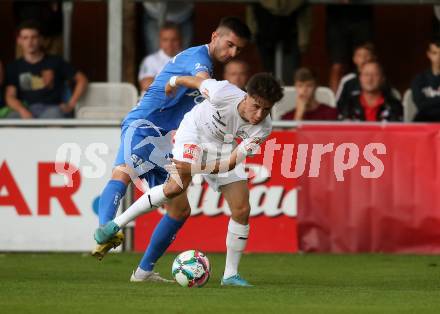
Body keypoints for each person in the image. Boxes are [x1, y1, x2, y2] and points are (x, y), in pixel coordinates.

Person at [91, 17, 251, 284]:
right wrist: (201, 86)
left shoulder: (208, 65)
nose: (232, 53)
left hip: (170, 138)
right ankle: (104, 228)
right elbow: (200, 79)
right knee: (123, 173)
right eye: (230, 44)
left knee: (179, 210)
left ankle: (142, 274)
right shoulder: (199, 58)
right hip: (145, 125)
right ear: (215, 36)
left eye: (238, 50)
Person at [94, 73, 284, 287]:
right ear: (247, 96)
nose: (259, 114)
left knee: (242, 208)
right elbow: (193, 81)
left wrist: (194, 168)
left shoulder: (263, 128)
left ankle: (230, 275)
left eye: (266, 109)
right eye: (256, 106)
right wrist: (173, 82)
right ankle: (114, 225)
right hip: (193, 134)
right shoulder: (222, 92)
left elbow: (230, 163)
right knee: (174, 188)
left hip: (222, 150)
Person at [5, 20, 88, 119]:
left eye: (34, 37)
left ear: (41, 39)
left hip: (52, 109)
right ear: (19, 41)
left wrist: (71, 104)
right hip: (26, 109)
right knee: (10, 121)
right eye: (25, 38)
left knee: (54, 117)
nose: (30, 42)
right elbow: (10, 96)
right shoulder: (14, 66)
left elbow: (82, 79)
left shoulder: (55, 61)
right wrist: (22, 110)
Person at [326, 3, 374, 93]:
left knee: (365, 62)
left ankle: (365, 102)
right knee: (337, 67)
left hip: (362, 15)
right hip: (336, 17)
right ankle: (334, 105)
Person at [138, 22, 182, 92]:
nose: (169, 44)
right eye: (165, 40)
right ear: (160, 41)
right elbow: (146, 84)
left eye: (174, 40)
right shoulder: (150, 60)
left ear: (180, 40)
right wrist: (180, 82)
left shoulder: (188, 58)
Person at [335, 42, 376, 111]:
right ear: (354, 59)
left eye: (366, 55)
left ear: (373, 57)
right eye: (360, 56)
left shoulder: (379, 79)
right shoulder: (347, 81)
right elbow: (339, 106)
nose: (363, 59)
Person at [411, 39, 440, 121]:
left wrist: (429, 101)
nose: (439, 57)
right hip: (424, 123)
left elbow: (424, 104)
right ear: (428, 54)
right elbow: (420, 105)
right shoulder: (419, 79)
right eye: (435, 53)